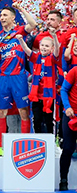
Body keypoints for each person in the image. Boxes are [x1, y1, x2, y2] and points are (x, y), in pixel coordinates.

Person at [0, 4, 37, 157]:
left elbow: (33, 24)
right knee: (1, 111)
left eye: (5, 15)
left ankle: (25, 146)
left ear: (12, 17)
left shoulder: (20, 31)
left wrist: (21, 9)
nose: (2, 18)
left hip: (19, 77)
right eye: (1, 16)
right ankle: (1, 147)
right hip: (3, 78)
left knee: (23, 111)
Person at [59, 62, 77, 190]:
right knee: (68, 148)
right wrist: (67, 107)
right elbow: (64, 90)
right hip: (71, 115)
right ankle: (63, 181)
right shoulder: (74, 71)